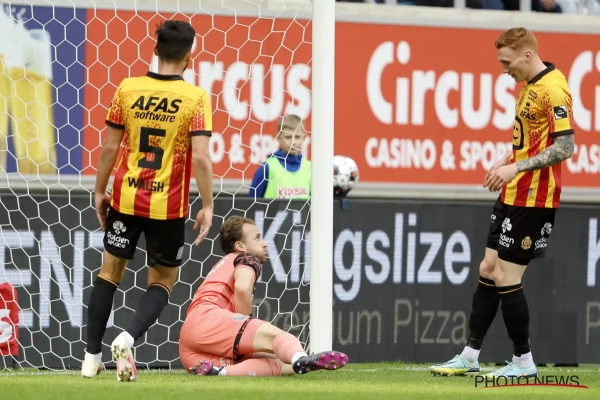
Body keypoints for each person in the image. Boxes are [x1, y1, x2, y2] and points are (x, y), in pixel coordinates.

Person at [429, 27, 575, 378]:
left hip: (534, 198)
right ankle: (469, 356)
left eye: (507, 62)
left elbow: (566, 147)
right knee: (488, 269)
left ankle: (523, 362)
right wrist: (506, 158)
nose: (503, 69)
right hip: (513, 192)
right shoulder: (528, 86)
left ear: (527, 54)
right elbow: (533, 141)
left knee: (505, 275)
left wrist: (516, 168)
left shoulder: (554, 89)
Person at [81, 20, 215, 382]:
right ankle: (127, 338)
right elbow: (201, 158)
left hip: (125, 198)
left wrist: (99, 190)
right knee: (162, 282)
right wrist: (208, 205)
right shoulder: (195, 98)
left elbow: (109, 146)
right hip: (168, 207)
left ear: (155, 50)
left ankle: (91, 359)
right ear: (189, 57)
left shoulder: (128, 89)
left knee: (109, 274)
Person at [179, 215, 348, 377]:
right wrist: (245, 322)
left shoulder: (223, 263)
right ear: (240, 245)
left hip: (189, 346)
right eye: (257, 238)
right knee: (279, 338)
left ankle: (218, 372)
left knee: (283, 363)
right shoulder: (246, 258)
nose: (265, 243)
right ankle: (301, 358)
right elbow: (242, 288)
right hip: (210, 320)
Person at [248, 114, 311, 199]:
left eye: (297, 137)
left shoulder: (310, 168)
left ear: (304, 137)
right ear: (278, 138)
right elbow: (252, 202)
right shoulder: (267, 167)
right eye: (288, 137)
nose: (293, 142)